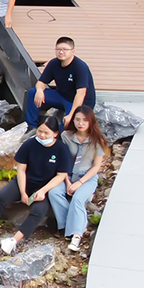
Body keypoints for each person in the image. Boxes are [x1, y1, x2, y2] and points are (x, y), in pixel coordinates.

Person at [0, 114, 72, 254]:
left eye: (46, 133)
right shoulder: (29, 144)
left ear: (55, 134)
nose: (42, 135)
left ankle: (14, 240)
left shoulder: (61, 150)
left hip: (44, 187)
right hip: (25, 181)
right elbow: (21, 169)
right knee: (1, 197)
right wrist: (23, 192)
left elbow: (61, 175)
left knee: (38, 211)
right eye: (39, 131)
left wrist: (43, 191)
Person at [49, 105, 107, 252]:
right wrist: (68, 182)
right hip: (67, 175)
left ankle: (76, 235)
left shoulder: (97, 140)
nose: (81, 123)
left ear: (91, 121)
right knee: (54, 192)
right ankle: (69, 224)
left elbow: (96, 167)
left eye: (85, 120)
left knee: (78, 199)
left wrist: (80, 183)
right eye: (77, 120)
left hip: (86, 177)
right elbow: (62, 161)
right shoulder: (66, 137)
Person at [26, 36, 96, 128]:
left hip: (79, 102)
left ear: (73, 51)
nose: (61, 52)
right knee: (33, 92)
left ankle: (57, 136)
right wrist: (39, 90)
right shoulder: (54, 63)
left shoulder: (80, 67)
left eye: (65, 49)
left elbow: (81, 94)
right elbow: (41, 82)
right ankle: (31, 126)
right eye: (58, 49)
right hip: (62, 96)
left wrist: (71, 115)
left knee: (66, 126)